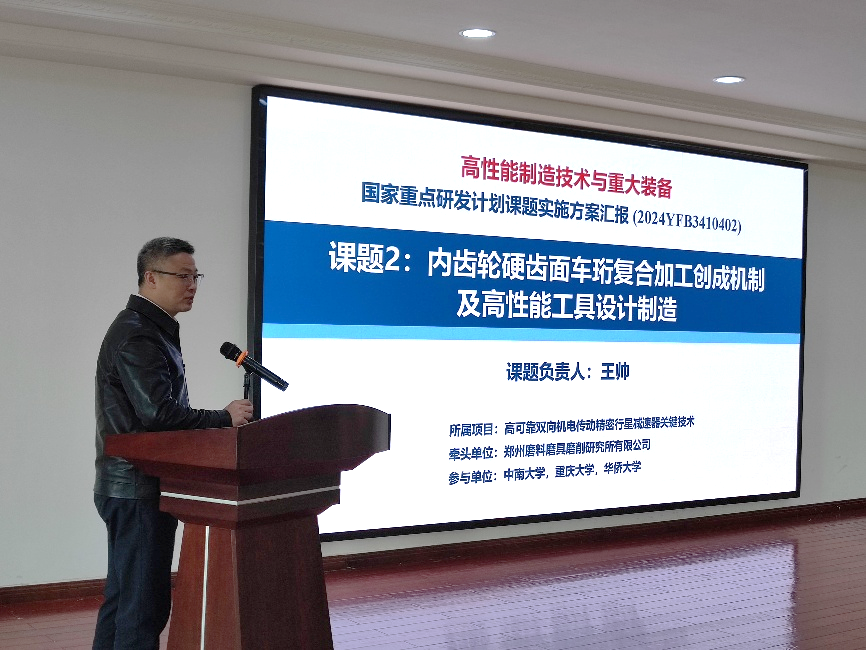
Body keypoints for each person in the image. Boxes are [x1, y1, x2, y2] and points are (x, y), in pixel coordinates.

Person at [92, 237, 253, 650]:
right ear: (151, 277)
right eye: (182, 276)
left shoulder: (147, 329)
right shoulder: (138, 335)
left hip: (132, 485)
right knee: (142, 607)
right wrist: (223, 418)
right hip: (137, 486)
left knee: (125, 600)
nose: (192, 285)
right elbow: (158, 415)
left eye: (196, 276)